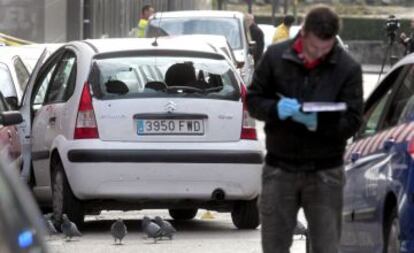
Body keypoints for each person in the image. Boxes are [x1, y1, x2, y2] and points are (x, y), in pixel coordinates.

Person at [247, 5, 363, 253]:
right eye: (313, 47)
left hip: (326, 171)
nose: (317, 54)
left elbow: (353, 120)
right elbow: (253, 100)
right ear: (304, 34)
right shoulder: (276, 57)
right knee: (274, 246)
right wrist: (275, 109)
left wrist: (318, 124)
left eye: (325, 49)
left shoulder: (347, 68)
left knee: (326, 246)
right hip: (280, 168)